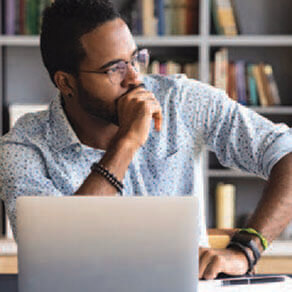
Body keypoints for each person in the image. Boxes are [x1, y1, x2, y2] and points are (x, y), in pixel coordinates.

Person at [1, 0, 292, 280]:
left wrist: (247, 249)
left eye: (135, 59)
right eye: (114, 69)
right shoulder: (23, 149)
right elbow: (53, 257)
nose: (135, 79)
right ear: (66, 82)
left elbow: (286, 152)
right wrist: (126, 143)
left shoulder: (179, 101)